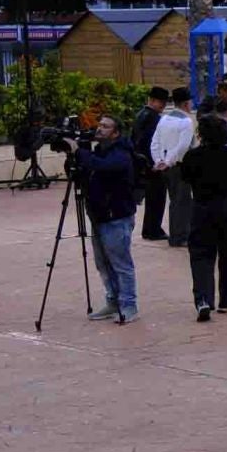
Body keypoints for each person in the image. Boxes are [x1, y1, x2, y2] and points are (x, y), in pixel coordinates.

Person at [74, 113, 140, 323]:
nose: (99, 128)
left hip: (116, 216)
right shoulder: (98, 151)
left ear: (116, 133)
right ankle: (113, 301)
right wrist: (74, 156)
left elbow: (103, 167)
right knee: (103, 264)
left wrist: (79, 152)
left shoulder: (121, 153)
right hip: (99, 215)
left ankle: (129, 305)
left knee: (121, 264)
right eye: (99, 125)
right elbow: (83, 173)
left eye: (105, 126)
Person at [180, 114, 227, 323]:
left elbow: (186, 178)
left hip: (202, 206)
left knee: (200, 254)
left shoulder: (192, 156)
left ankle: (203, 299)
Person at [149, 87, 196, 248]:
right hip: (179, 165)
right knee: (182, 201)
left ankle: (177, 234)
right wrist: (169, 161)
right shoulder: (186, 121)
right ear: (186, 103)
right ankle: (180, 236)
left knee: (175, 200)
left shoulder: (164, 119)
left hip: (165, 166)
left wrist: (159, 161)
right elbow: (183, 146)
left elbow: (155, 142)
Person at [132, 86, 169, 242]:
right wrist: (156, 161)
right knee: (157, 197)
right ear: (152, 100)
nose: (163, 106)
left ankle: (150, 228)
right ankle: (153, 229)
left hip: (142, 161)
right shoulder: (153, 118)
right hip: (151, 163)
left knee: (153, 197)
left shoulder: (141, 114)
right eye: (161, 102)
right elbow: (151, 142)